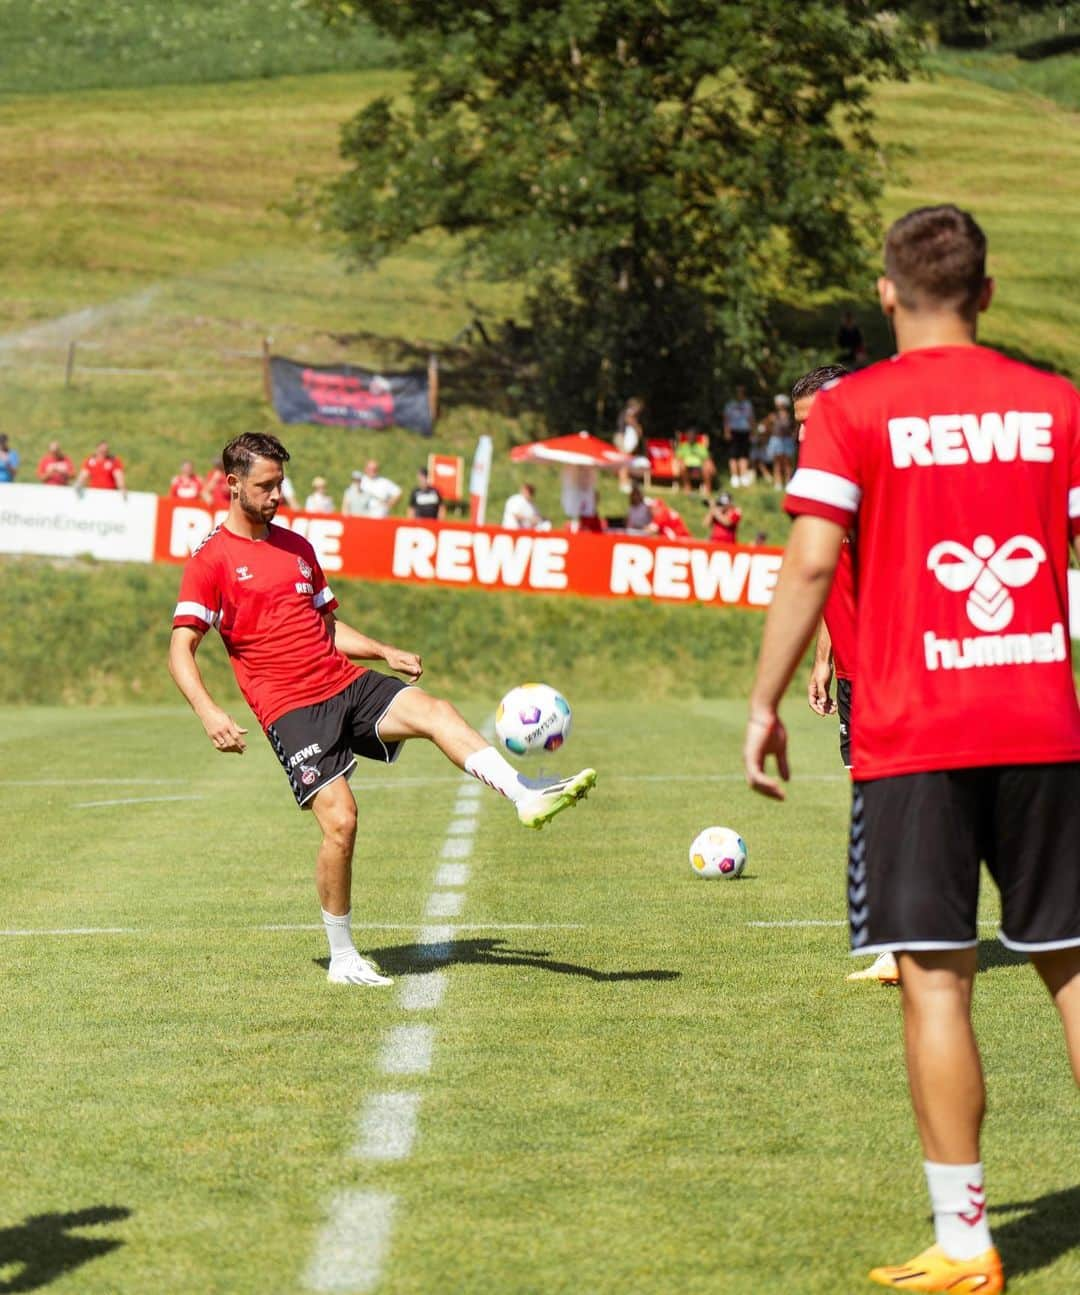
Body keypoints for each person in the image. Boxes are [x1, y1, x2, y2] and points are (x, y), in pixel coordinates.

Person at [744, 204, 1080, 1294]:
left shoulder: (852, 408)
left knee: (936, 983)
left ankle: (969, 1241)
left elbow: (807, 563)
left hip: (915, 733)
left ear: (888, 293)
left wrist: (765, 700)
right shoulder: (1058, 404)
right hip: (1043, 724)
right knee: (1076, 970)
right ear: (987, 291)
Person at [168, 432, 597, 987]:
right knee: (342, 822)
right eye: (265, 486)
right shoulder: (211, 560)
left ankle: (524, 794)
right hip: (291, 709)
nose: (278, 495)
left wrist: (383, 651)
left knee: (435, 710)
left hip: (343, 681)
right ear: (232, 484)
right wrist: (209, 713)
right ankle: (342, 957)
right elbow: (181, 647)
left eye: (281, 484)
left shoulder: (298, 547)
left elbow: (324, 625)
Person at [794, 364, 898, 988]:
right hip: (855, 668)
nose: (807, 437)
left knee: (888, 807)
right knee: (872, 804)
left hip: (892, 669)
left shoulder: (870, 476)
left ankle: (906, 943)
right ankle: (903, 939)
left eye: (815, 423)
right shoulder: (827, 474)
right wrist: (824, 659)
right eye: (800, 426)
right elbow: (837, 573)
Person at [723, 385, 755, 488]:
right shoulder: (730, 404)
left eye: (742, 392)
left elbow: (751, 419)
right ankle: (734, 476)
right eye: (738, 391)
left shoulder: (748, 404)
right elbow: (726, 419)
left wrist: (752, 432)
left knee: (744, 455)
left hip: (745, 431)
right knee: (733, 455)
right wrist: (726, 432)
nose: (740, 393)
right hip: (733, 431)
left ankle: (743, 476)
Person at [765, 394, 796, 490]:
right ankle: (778, 483)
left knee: (787, 463)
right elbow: (766, 427)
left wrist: (793, 437)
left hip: (787, 440)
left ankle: (788, 482)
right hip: (776, 440)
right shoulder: (772, 416)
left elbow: (794, 428)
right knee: (777, 463)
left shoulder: (790, 416)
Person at [614, 398, 645, 493]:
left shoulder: (628, 414)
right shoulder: (629, 413)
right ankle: (623, 484)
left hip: (623, 438)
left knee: (625, 461)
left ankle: (625, 482)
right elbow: (631, 422)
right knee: (624, 461)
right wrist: (638, 428)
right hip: (622, 438)